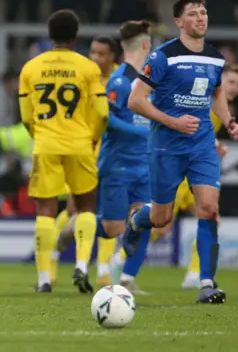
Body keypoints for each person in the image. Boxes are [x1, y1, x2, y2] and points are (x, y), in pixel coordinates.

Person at [122, 0, 238, 304]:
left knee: (209, 209)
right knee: (162, 218)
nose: (200, 18)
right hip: (166, 145)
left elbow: (216, 93)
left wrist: (227, 121)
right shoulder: (163, 56)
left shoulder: (216, 57)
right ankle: (136, 221)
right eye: (193, 13)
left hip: (201, 143)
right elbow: (135, 100)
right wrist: (173, 122)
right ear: (178, 21)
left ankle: (206, 283)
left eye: (203, 12)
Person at [110, 62, 238, 289]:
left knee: (211, 215)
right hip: (176, 168)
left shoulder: (224, 110)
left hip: (194, 173)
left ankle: (195, 276)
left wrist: (214, 147)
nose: (234, 88)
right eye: (230, 82)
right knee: (161, 225)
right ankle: (122, 258)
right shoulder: (200, 99)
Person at [19, 9, 109, 293]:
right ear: (75, 36)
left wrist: (40, 135)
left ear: (49, 36)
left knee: (45, 210)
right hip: (80, 144)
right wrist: (92, 138)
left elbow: (24, 116)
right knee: (86, 207)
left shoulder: (31, 68)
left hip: (45, 144)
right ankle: (82, 265)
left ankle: (45, 278)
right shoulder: (88, 68)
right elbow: (103, 113)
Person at [52, 36, 119, 287]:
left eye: (102, 53)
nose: (96, 58)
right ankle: (54, 251)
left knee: (111, 211)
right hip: (83, 150)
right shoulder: (80, 75)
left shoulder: (122, 78)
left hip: (113, 154)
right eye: (93, 52)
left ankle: (103, 271)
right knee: (74, 211)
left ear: (113, 55)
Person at [92, 20, 153, 294]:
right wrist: (144, 133)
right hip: (118, 163)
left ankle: (127, 277)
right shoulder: (120, 80)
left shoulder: (150, 80)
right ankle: (77, 225)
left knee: (146, 217)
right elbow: (109, 120)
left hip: (144, 164)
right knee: (112, 227)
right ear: (144, 44)